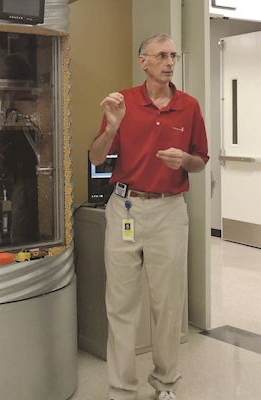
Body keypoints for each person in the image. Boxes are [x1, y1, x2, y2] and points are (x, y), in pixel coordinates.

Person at [89, 33, 209, 400]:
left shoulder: (188, 106)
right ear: (143, 61)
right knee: (121, 305)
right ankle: (121, 389)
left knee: (168, 305)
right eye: (161, 56)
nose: (169, 62)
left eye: (173, 55)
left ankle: (166, 384)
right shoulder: (121, 102)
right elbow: (96, 158)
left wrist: (185, 161)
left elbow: (201, 160)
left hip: (169, 212)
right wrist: (111, 127)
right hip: (126, 208)